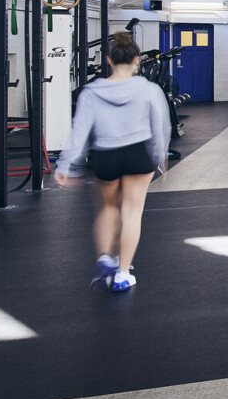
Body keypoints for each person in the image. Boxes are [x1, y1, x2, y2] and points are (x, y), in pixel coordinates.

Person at [54, 32, 171, 292]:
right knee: (131, 214)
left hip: (105, 155)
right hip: (137, 154)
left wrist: (65, 166)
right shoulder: (149, 89)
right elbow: (161, 126)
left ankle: (105, 257)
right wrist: (161, 155)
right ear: (137, 60)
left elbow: (79, 132)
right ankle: (122, 273)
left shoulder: (92, 91)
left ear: (108, 60)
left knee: (108, 208)